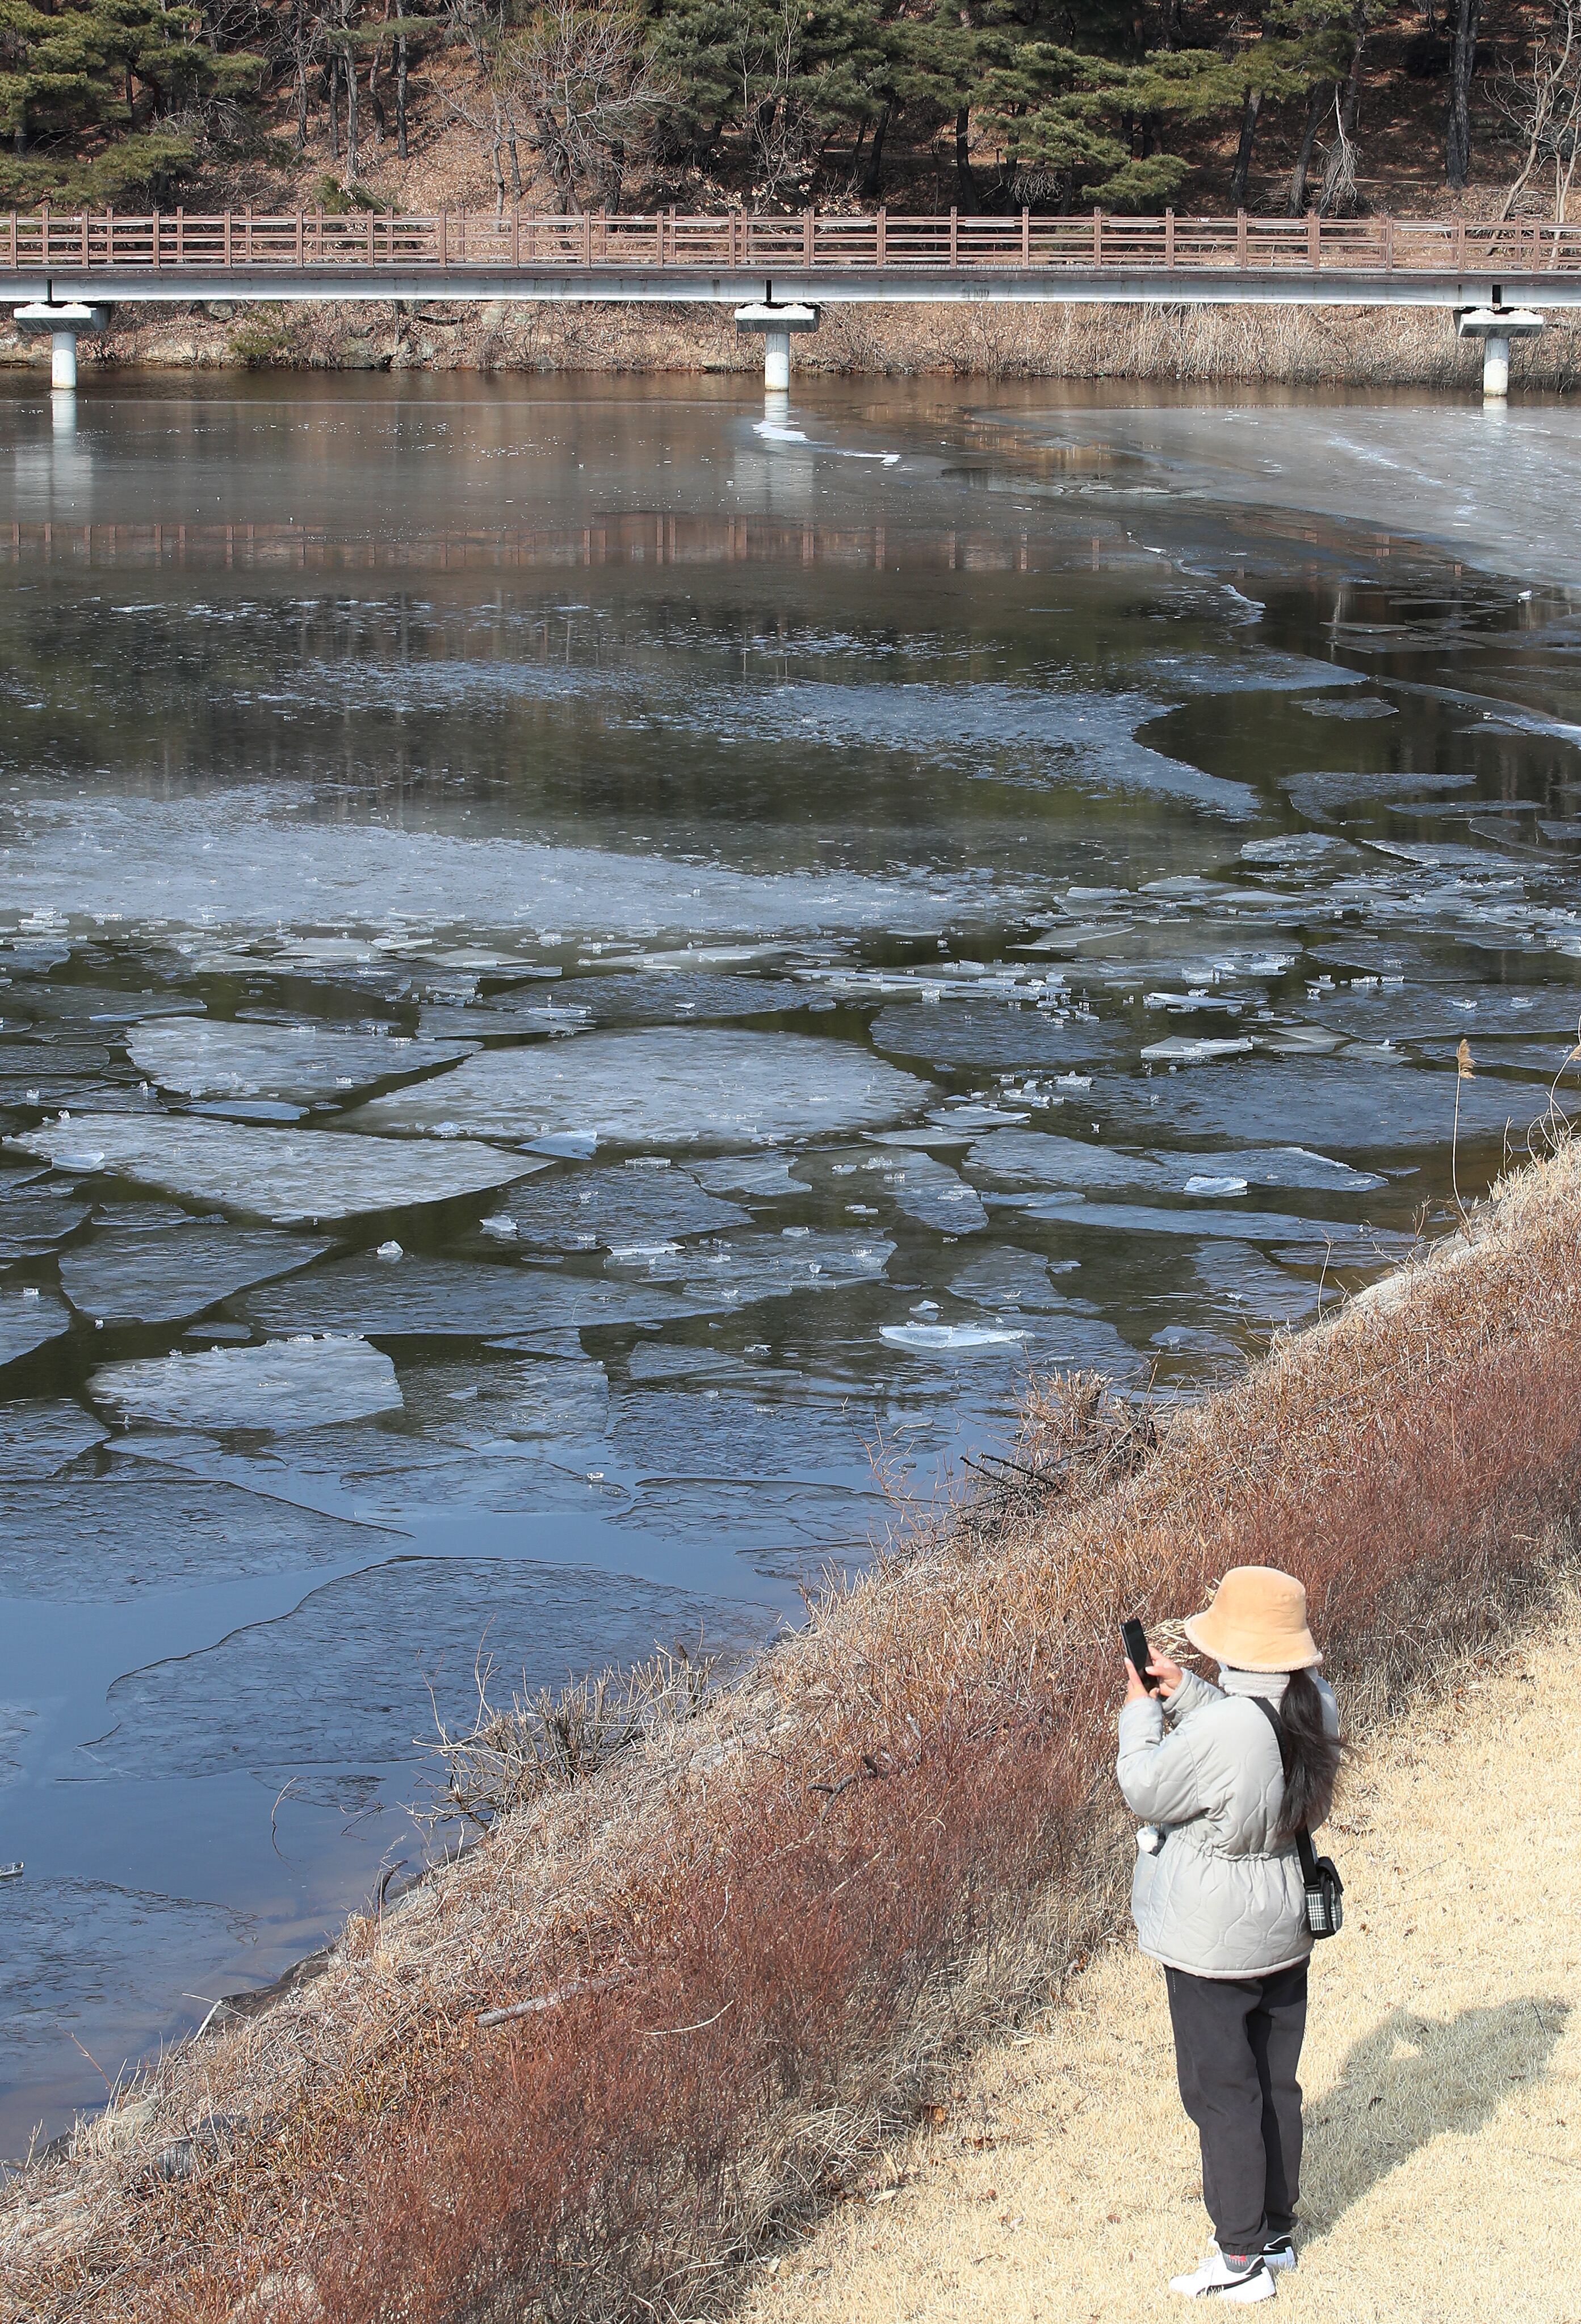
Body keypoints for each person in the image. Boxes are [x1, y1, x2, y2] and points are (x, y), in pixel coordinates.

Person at [1116, 1565, 1342, 2305]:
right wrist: (1189, 1694)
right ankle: (1273, 2233)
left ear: (1236, 1645)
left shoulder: (1226, 1726)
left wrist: (1140, 1711)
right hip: (1282, 1919)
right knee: (1274, 2080)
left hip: (1213, 1936)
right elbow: (1252, 1733)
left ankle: (1237, 2255)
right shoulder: (1315, 1707)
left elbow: (1145, 1786)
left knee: (1220, 2091)